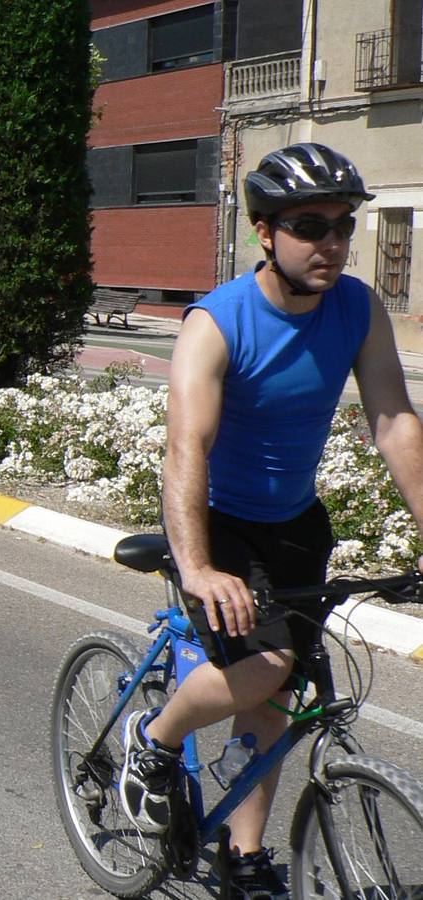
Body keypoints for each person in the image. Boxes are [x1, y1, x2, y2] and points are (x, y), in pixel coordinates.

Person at [118, 143, 423, 898]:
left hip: (295, 523)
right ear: (264, 232)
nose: (331, 243)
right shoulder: (218, 322)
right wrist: (197, 567)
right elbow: (186, 447)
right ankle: (154, 740)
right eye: (310, 226)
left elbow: (394, 422)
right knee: (263, 667)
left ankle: (242, 853)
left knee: (281, 693)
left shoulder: (356, 309)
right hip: (219, 521)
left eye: (343, 225)